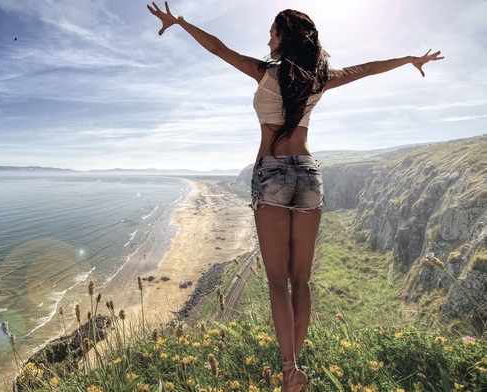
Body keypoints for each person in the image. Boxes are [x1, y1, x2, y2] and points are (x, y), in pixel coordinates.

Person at [147, 2, 443, 391]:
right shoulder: (319, 79)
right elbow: (367, 69)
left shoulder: (265, 72)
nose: (267, 39)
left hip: (271, 173)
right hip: (308, 175)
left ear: (284, 37)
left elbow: (218, 49)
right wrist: (408, 59)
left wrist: (182, 22)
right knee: (300, 280)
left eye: (272, 33)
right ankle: (293, 369)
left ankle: (290, 370)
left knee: (275, 281)